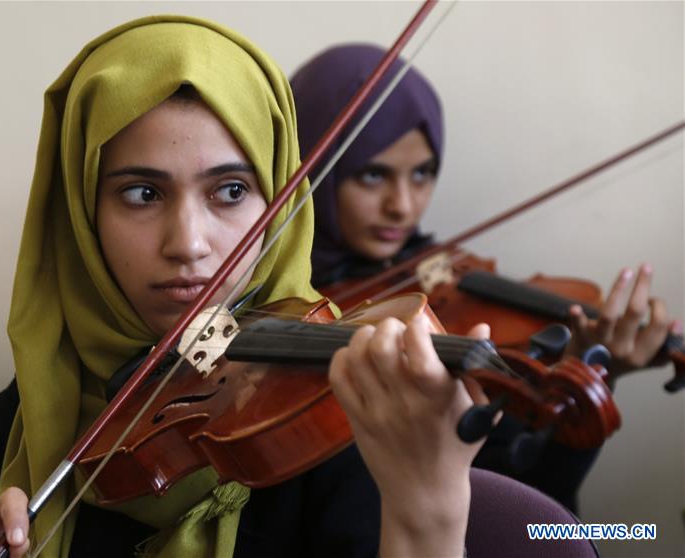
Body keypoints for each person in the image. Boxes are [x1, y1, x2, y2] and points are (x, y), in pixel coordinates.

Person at [0, 16, 488, 558]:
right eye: (142, 193)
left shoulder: (345, 414)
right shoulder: (33, 405)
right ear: (81, 216)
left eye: (230, 191)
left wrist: (427, 517)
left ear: (279, 194)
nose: (188, 244)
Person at [290, 43, 679, 511]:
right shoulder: (277, 297)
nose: (404, 206)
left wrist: (589, 377)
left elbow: (524, 507)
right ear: (311, 163)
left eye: (422, 174)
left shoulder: (442, 276)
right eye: (373, 176)